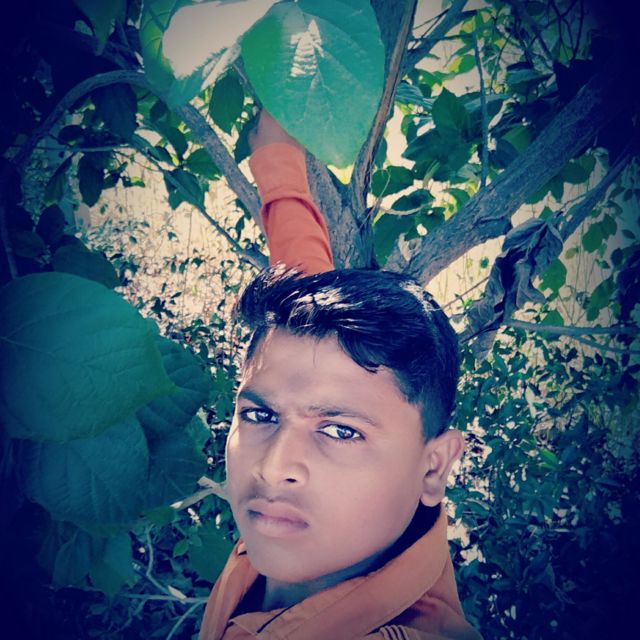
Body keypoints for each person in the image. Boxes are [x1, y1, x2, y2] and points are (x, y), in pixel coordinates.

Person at [198, 111, 482, 639]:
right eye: (259, 415)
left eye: (341, 431)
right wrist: (277, 153)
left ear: (434, 467)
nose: (274, 468)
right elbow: (304, 270)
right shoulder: (307, 358)